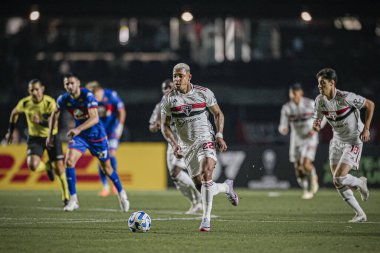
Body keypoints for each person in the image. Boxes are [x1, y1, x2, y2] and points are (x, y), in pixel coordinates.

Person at [161, 63, 239, 232]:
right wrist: (174, 144)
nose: (176, 79)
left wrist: (219, 135)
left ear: (189, 77)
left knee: (207, 172)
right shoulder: (168, 99)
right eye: (174, 75)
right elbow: (164, 126)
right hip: (186, 146)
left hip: (205, 138)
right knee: (202, 185)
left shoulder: (204, 93)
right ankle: (226, 187)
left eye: (180, 76)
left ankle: (206, 220)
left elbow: (218, 113)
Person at [46, 73, 130, 212]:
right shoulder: (64, 99)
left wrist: (77, 128)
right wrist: (50, 135)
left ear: (78, 83)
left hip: (97, 137)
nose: (70, 86)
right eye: (67, 84)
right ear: (64, 85)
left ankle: (122, 194)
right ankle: (73, 200)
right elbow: (55, 113)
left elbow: (95, 118)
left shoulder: (88, 96)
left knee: (107, 168)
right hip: (81, 137)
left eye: (72, 83)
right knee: (69, 162)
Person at [312, 68, 375, 223]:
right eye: (318, 83)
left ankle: (360, 182)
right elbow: (318, 118)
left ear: (332, 83)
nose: (320, 86)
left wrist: (366, 128)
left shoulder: (346, 97)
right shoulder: (319, 100)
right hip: (337, 141)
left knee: (339, 177)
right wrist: (316, 123)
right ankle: (360, 214)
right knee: (337, 181)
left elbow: (370, 104)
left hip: (354, 139)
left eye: (323, 83)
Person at [5, 79, 69, 206]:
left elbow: (55, 123)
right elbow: (14, 113)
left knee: (60, 169)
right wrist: (11, 131)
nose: (34, 92)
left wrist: (40, 121)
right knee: (33, 166)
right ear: (29, 91)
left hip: (52, 136)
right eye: (31, 90)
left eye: (36, 89)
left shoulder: (50, 102)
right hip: (35, 138)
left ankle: (66, 197)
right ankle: (47, 166)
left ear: (42, 89)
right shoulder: (25, 103)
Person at [150, 79, 202, 214]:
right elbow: (151, 126)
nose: (167, 90)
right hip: (171, 142)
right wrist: (155, 126)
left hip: (185, 141)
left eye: (169, 87)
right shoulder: (160, 106)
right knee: (176, 178)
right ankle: (195, 203)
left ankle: (201, 192)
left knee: (175, 171)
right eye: (164, 88)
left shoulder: (184, 102)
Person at [278, 83, 319, 199]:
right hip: (296, 140)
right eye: (291, 93)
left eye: (295, 93)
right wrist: (283, 129)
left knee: (306, 164)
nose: (292, 96)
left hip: (310, 137)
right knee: (298, 168)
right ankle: (306, 189)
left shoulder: (310, 104)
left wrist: (316, 128)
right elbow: (282, 125)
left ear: (301, 93)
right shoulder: (287, 108)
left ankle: (313, 179)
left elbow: (322, 116)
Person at [86, 81, 126, 197]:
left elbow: (122, 111)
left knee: (111, 154)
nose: (96, 98)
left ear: (100, 91)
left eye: (96, 95)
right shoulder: (90, 99)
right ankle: (105, 186)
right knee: (102, 157)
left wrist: (120, 127)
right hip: (99, 131)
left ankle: (114, 182)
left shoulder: (111, 95)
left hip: (112, 130)